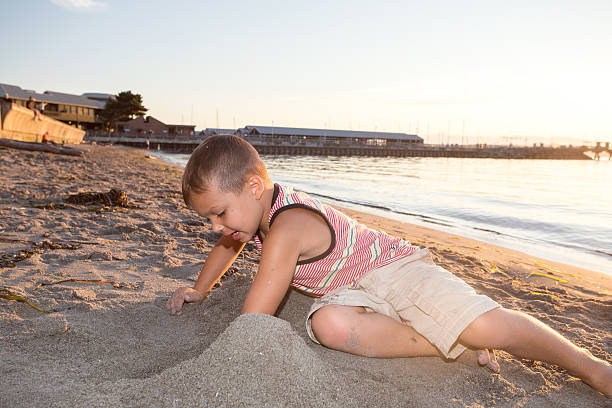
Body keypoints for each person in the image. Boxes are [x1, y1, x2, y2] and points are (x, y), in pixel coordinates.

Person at [167, 135, 612, 397]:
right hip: (352, 290)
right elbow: (227, 247)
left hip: (395, 270)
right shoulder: (251, 217)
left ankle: (591, 366)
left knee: (486, 327)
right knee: (330, 327)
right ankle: (449, 345)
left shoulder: (288, 225)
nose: (215, 227)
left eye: (219, 213)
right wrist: (202, 290)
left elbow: (255, 317)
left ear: (253, 185)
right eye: (208, 218)